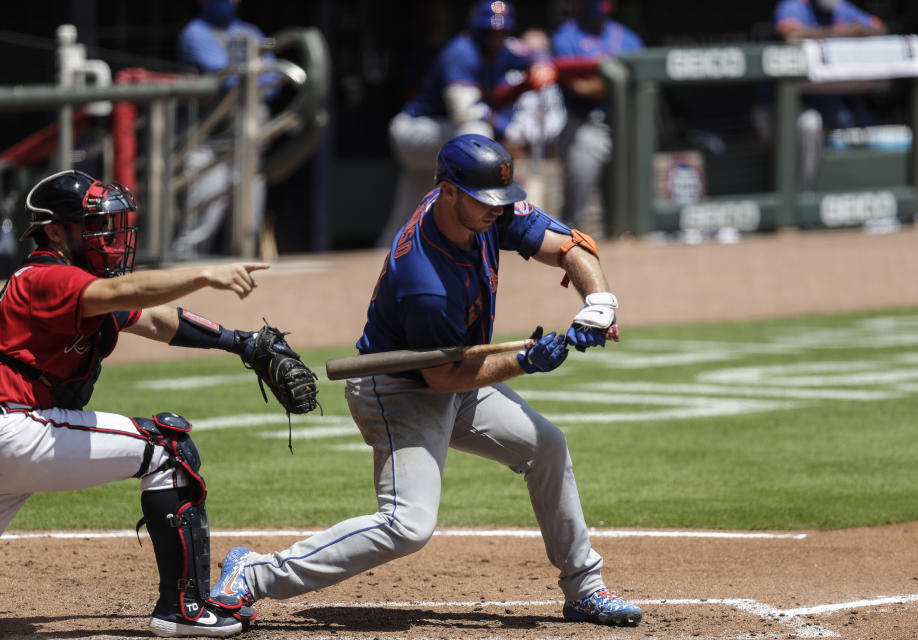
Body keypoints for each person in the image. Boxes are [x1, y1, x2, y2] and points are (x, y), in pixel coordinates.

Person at [209, 134, 642, 627]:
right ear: (448, 191)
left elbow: (570, 247)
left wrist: (598, 304)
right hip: (398, 392)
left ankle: (584, 590)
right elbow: (443, 378)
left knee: (546, 446)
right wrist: (527, 362)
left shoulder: (483, 209)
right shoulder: (424, 278)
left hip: (454, 378)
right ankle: (254, 575)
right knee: (407, 525)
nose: (496, 213)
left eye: (501, 202)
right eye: (484, 202)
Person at [0, 170, 277, 637]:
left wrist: (240, 343)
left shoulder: (68, 283)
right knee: (169, 451)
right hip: (16, 428)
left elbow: (152, 320)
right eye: (94, 226)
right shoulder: (46, 278)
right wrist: (204, 273)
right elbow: (118, 294)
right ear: (55, 231)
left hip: (16, 435)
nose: (109, 237)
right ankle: (182, 610)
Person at [381, 0, 557, 248]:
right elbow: (465, 110)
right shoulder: (461, 51)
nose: (496, 38)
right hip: (417, 132)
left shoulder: (506, 50)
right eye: (489, 31)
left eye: (502, 31)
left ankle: (383, 259)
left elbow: (534, 52)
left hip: (441, 139)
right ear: (476, 29)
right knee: (476, 135)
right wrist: (509, 132)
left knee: (409, 214)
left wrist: (542, 63)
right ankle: (478, 223)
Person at [171, 0, 273, 260]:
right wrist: (253, 75)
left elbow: (273, 80)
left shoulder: (251, 32)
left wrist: (252, 76)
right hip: (206, 144)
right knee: (198, 232)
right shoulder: (195, 32)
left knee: (247, 232)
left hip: (247, 144)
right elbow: (225, 76)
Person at [772, 0, 888, 190]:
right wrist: (844, 33)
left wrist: (861, 31)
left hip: (829, 103)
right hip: (780, 108)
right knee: (810, 124)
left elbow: (881, 28)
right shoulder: (794, 6)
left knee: (862, 126)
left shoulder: (841, 9)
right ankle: (801, 201)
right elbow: (791, 36)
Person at [551, 0, 644, 231]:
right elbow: (578, 87)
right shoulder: (566, 37)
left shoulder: (628, 38)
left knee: (627, 206)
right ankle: (570, 250)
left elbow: (643, 84)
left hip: (624, 125)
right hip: (584, 124)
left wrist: (602, 84)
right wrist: (616, 84)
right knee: (577, 203)